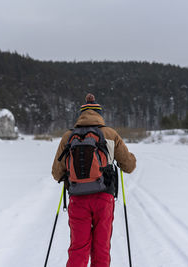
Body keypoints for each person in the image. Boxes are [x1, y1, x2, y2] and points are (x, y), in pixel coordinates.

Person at [52, 93, 136, 267]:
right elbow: (128, 166)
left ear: (81, 115)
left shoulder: (69, 136)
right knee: (101, 248)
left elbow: (56, 173)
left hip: (78, 198)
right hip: (103, 198)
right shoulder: (110, 134)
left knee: (78, 248)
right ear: (100, 114)